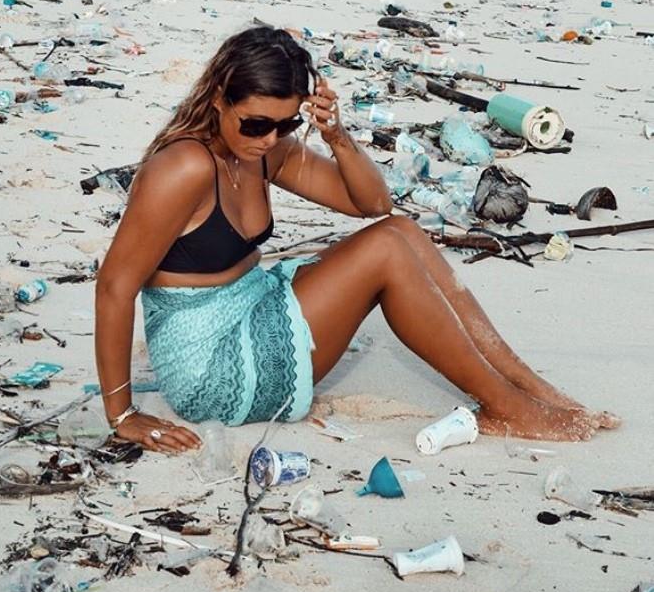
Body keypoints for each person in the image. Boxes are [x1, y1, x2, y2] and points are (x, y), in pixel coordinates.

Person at [95, 26, 617, 454]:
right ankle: (511, 407)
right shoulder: (182, 166)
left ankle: (525, 386)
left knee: (401, 232)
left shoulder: (263, 148)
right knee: (387, 249)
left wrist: (335, 135)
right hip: (211, 366)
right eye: (255, 123)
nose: (269, 138)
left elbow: (372, 204)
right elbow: (115, 285)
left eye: (285, 123)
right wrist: (122, 414)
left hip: (250, 307)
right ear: (217, 99)